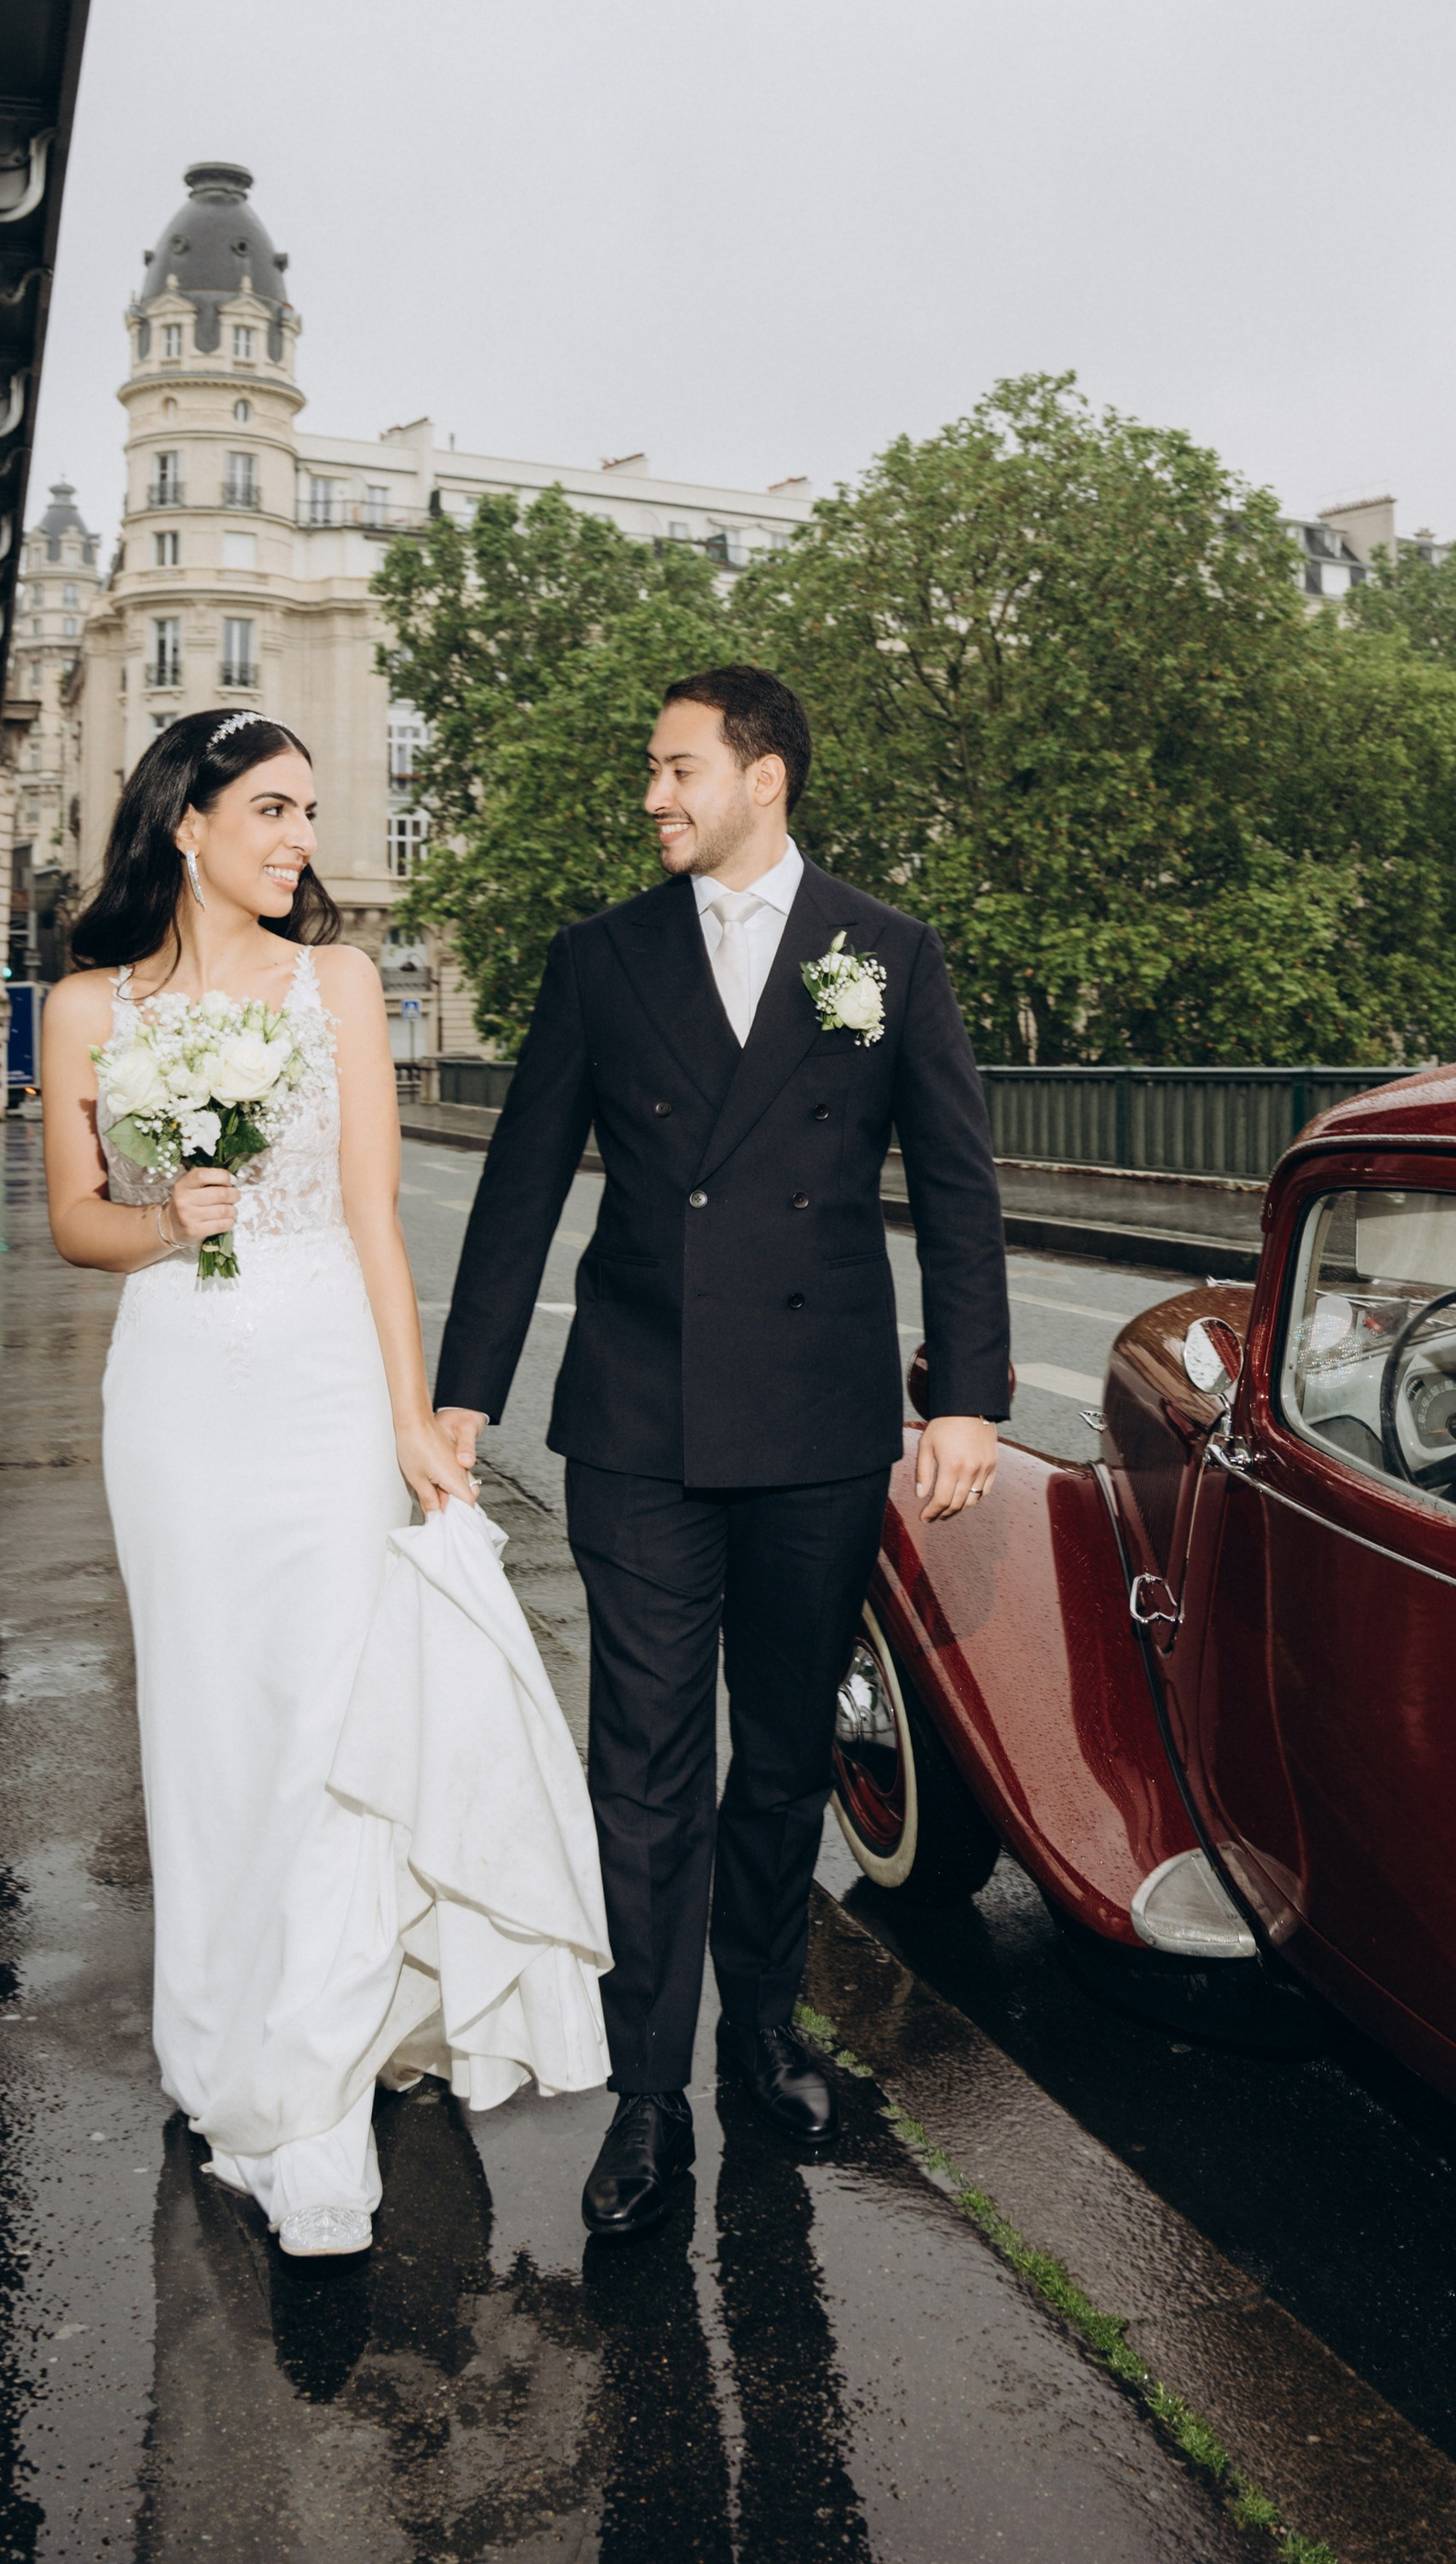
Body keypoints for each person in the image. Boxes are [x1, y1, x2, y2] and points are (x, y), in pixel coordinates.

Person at [434, 664, 1013, 2241]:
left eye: (677, 767)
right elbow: (524, 1179)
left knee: (780, 1758)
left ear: (765, 775)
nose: (653, 795)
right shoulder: (602, 956)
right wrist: (463, 1392)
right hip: (639, 1417)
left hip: (818, 1419)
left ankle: (761, 2033)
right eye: (653, 768)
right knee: (643, 1764)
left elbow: (956, 1183)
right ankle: (645, 2094)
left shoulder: (889, 952)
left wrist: (967, 1394)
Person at [41, 707, 606, 2263]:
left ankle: (317, 2094)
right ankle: (232, 2051)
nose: (302, 837)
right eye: (273, 810)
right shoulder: (86, 1006)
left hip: (322, 1391)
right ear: (188, 822)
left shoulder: (336, 984)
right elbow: (77, 1219)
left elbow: (372, 1219)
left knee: (331, 1728)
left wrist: (416, 1420)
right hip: (175, 1393)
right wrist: (168, 1219)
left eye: (309, 811)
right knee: (211, 1727)